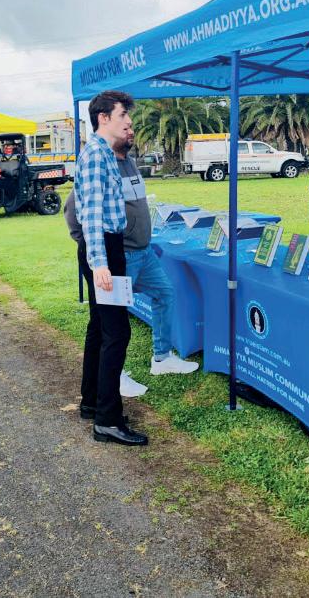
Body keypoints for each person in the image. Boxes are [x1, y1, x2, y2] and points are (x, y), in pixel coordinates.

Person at [65, 128, 198, 398]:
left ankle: (162, 358)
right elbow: (72, 209)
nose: (131, 132)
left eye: (130, 128)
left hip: (144, 253)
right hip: (120, 256)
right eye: (125, 128)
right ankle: (116, 375)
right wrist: (88, 245)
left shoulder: (130, 163)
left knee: (165, 293)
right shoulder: (100, 165)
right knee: (113, 322)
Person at [73, 90, 148, 447]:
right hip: (103, 248)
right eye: (122, 116)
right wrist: (100, 264)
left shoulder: (103, 153)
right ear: (104, 118)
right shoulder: (95, 156)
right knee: (117, 333)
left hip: (107, 246)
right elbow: (90, 214)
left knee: (100, 329)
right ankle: (107, 420)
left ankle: (92, 402)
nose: (128, 122)